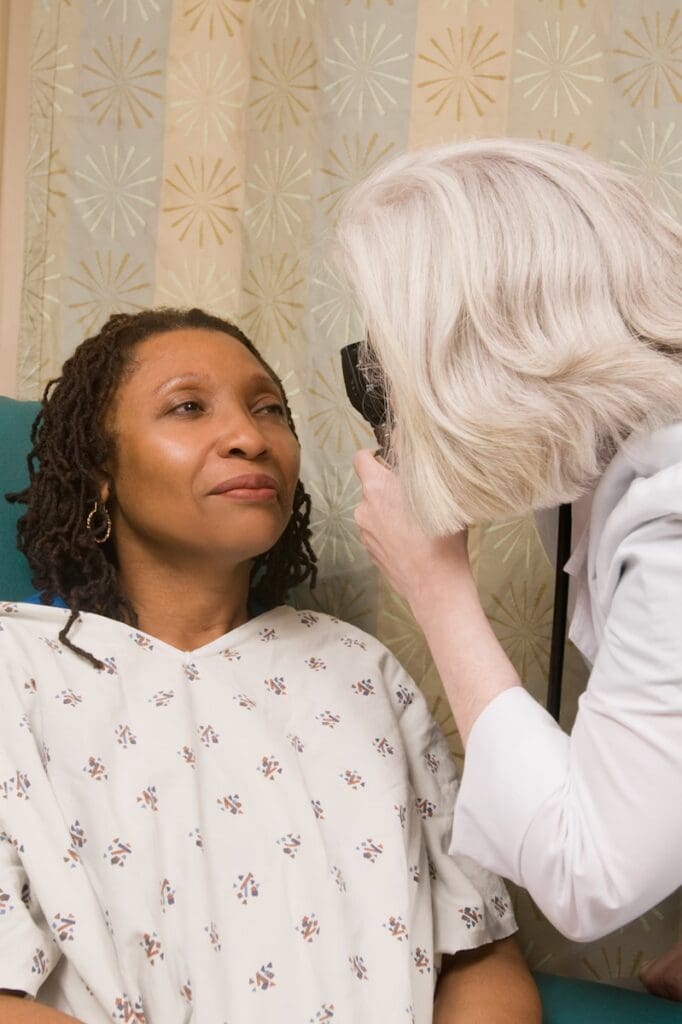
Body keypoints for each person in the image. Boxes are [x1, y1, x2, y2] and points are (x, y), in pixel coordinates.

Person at [0, 308, 540, 1023]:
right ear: (100, 471)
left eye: (270, 410)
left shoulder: (359, 671)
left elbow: (483, 956)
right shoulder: (17, 670)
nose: (250, 439)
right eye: (188, 407)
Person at [336, 139, 682, 990]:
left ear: (479, 352)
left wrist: (435, 584)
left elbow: (590, 874)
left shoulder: (670, 511)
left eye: (385, 363)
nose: (388, 393)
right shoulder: (591, 476)